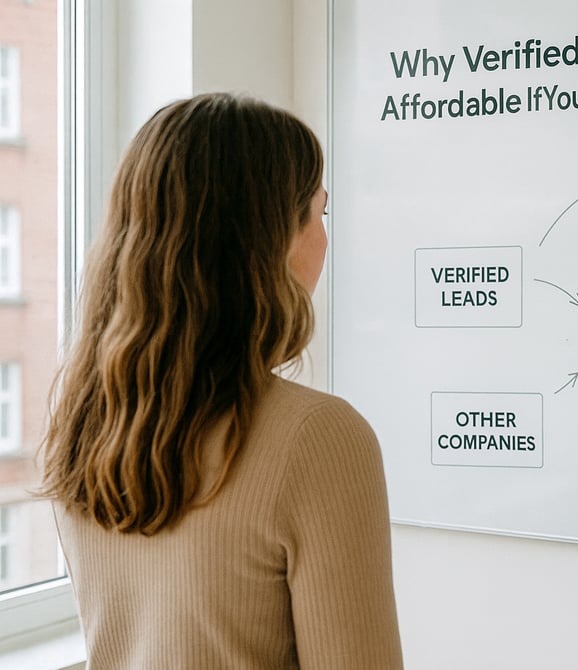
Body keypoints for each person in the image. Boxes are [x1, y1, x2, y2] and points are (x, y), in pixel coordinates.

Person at [40, 93, 403, 669]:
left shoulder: (83, 418)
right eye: (318, 213)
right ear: (267, 240)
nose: (324, 239)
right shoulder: (320, 437)